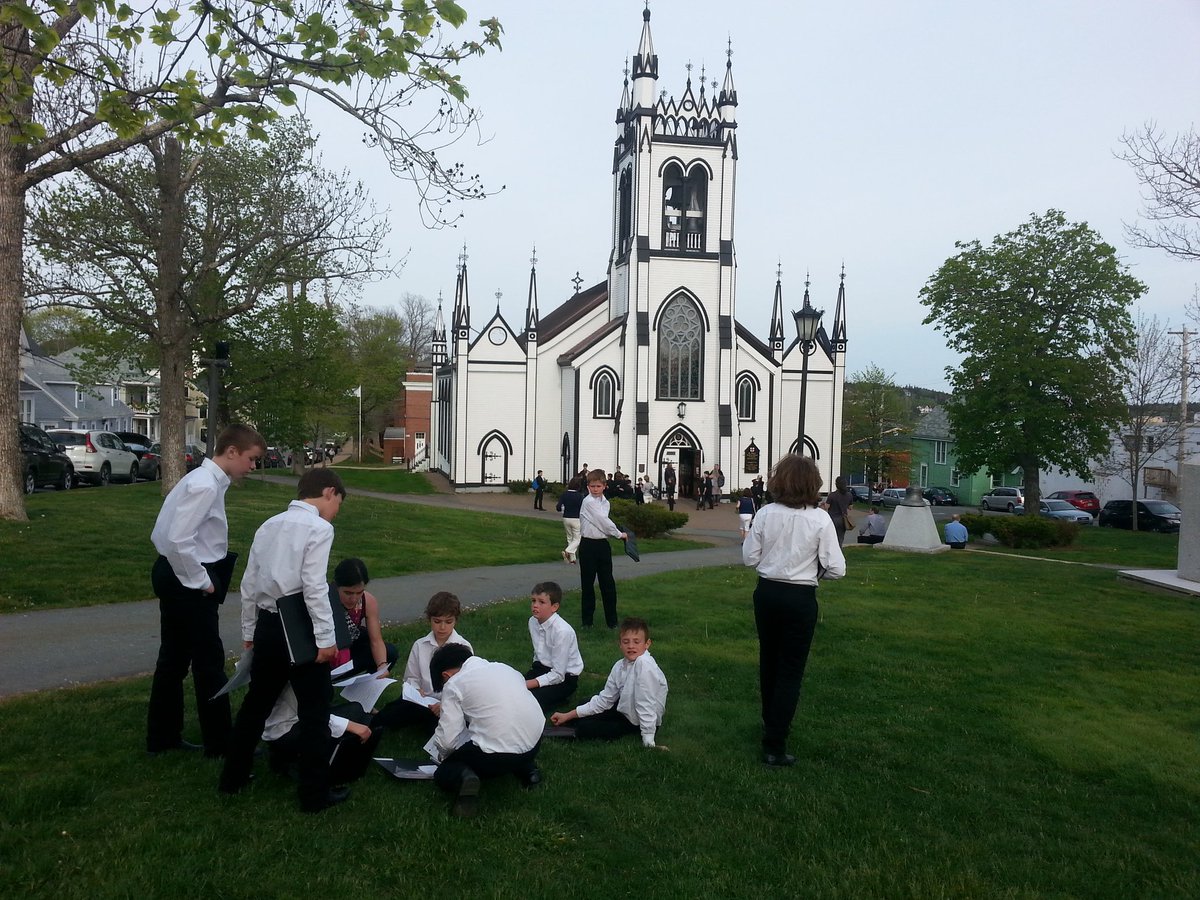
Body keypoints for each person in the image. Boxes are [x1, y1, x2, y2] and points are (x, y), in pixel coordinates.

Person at [219, 468, 347, 813]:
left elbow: (249, 583)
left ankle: (233, 777)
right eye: (338, 503)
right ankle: (314, 795)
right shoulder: (320, 528)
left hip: (268, 626)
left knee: (256, 704)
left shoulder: (268, 525)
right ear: (329, 492)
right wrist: (325, 638)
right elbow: (314, 585)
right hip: (301, 628)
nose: (336, 511)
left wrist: (249, 633)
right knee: (315, 711)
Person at [147, 423, 264, 758]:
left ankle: (162, 737)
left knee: (173, 659)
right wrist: (203, 580)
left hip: (177, 574)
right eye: (251, 459)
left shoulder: (201, 480)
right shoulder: (204, 485)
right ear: (231, 452)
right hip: (187, 579)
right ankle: (220, 742)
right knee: (208, 662)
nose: (253, 467)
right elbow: (176, 539)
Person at [742, 454, 846, 768]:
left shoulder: (765, 514)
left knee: (769, 662)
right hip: (800, 596)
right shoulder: (819, 519)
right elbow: (837, 568)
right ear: (812, 483)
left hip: (768, 593)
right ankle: (775, 743)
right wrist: (814, 571)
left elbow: (749, 558)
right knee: (790, 669)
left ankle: (769, 722)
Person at [428, 644, 544, 818]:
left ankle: (465, 778)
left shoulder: (454, 684)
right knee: (508, 737)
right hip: (535, 742)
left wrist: (445, 757)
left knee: (444, 772)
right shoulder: (505, 668)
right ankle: (529, 770)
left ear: (446, 675)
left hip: (496, 757)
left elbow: (447, 741)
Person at [549, 617, 668, 747]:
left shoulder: (644, 664)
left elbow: (646, 703)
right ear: (620, 644)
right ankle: (568, 721)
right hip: (626, 707)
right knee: (585, 703)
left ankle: (570, 730)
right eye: (626, 642)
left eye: (636, 642)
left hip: (639, 720)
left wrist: (648, 739)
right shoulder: (620, 665)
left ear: (647, 644)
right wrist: (568, 715)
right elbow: (604, 700)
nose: (631, 646)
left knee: (587, 727)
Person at [375, 591, 472, 736]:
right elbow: (411, 677)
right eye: (437, 621)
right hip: (421, 700)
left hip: (447, 705)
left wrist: (444, 705)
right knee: (386, 716)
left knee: (438, 731)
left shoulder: (464, 647)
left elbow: (467, 686)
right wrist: (415, 690)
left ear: (455, 620)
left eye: (448, 622)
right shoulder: (420, 645)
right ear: (429, 619)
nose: (442, 627)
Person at [262, 684, 383, 788]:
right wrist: (350, 725)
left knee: (357, 709)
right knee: (358, 715)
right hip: (287, 729)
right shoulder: (301, 666)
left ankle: (289, 756)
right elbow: (311, 714)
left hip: (276, 726)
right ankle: (300, 762)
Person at [329, 558, 398, 676]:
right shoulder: (324, 601)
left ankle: (365, 689)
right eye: (348, 593)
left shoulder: (368, 601)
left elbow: (376, 640)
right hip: (327, 653)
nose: (354, 599)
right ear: (336, 586)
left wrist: (382, 666)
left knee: (389, 652)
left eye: (359, 592)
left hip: (350, 649)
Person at [578, 468, 627, 628]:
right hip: (588, 545)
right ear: (588, 487)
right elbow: (603, 522)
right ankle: (587, 622)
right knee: (588, 585)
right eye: (592, 486)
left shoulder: (605, 502)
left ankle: (612, 622)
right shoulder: (588, 502)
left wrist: (615, 532)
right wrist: (619, 534)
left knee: (608, 584)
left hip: (602, 546)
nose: (595, 489)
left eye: (598, 486)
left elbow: (604, 521)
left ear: (604, 486)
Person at [524, 582, 583, 713]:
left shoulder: (562, 631)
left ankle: (559, 699)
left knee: (530, 701)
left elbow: (558, 674)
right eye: (533, 601)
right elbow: (538, 652)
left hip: (564, 678)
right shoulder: (532, 621)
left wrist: (529, 684)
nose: (535, 605)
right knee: (512, 690)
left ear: (554, 607)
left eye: (541, 602)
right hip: (542, 668)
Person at [556, 476, 585, 563]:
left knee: (570, 537)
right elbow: (583, 509)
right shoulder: (579, 496)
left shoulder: (564, 494)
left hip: (566, 517)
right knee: (577, 539)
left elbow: (558, 507)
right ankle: (567, 551)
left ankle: (572, 559)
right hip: (576, 518)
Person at [825, 475, 854, 546]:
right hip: (843, 519)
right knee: (840, 538)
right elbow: (850, 507)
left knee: (831, 538)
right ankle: (838, 552)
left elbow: (827, 507)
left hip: (832, 519)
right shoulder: (849, 495)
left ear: (836, 484)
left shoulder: (832, 495)